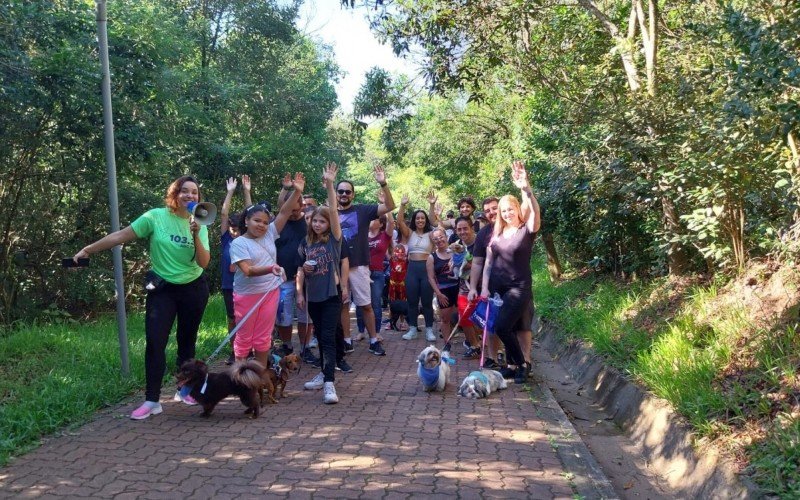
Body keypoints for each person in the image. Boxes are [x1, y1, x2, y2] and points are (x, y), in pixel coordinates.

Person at [73, 175, 211, 420]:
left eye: (195, 193)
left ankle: (185, 390)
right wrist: (88, 249)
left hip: (193, 288)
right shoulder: (155, 217)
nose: (191, 196)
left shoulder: (200, 221)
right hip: (163, 290)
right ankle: (152, 400)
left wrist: (196, 233)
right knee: (155, 343)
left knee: (187, 342)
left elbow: (203, 262)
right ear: (175, 194)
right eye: (185, 191)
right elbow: (121, 236)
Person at [229, 173, 305, 370]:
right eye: (256, 221)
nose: (262, 225)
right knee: (245, 337)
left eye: (264, 222)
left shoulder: (271, 232)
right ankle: (241, 375)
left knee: (263, 337)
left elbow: (285, 212)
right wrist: (271, 268)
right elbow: (247, 270)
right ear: (246, 221)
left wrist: (297, 191)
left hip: (270, 292)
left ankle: (260, 376)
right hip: (246, 295)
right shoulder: (238, 243)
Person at [476, 161, 541, 384]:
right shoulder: (497, 234)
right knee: (507, 326)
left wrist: (526, 188)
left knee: (503, 326)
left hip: (518, 289)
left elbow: (533, 210)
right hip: (497, 289)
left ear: (517, 209)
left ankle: (523, 364)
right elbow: (487, 264)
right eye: (503, 211)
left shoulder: (526, 230)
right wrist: (484, 288)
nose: (506, 213)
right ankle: (513, 366)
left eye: (510, 209)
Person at [297, 162, 347, 404]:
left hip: (330, 297)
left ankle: (329, 384)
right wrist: (304, 271)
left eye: (322, 222)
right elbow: (302, 269)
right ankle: (324, 373)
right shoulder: (306, 244)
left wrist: (329, 184)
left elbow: (334, 211)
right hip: (313, 297)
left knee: (327, 338)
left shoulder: (333, 241)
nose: (317, 224)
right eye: (315, 221)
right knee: (320, 335)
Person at [336, 166, 396, 356]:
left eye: (348, 191)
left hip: (359, 265)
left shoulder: (362, 210)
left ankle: (373, 340)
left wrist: (383, 183)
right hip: (337, 267)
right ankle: (346, 341)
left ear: (353, 195)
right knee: (343, 305)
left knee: (366, 305)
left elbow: (390, 206)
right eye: (341, 191)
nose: (344, 194)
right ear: (336, 194)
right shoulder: (329, 213)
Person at [275, 173, 318, 366]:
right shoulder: (278, 223)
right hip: (282, 280)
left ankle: (305, 347)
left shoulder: (309, 223)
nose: (292, 212)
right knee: (283, 317)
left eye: (295, 208)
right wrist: (285, 188)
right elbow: (280, 207)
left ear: (301, 205)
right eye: (288, 208)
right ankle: (286, 345)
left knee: (305, 316)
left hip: (305, 279)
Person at [397, 191, 439, 341]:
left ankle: (429, 330)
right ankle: (413, 328)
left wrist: (432, 205)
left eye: (422, 218)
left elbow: (436, 222)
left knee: (427, 301)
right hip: (412, 270)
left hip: (426, 270)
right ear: (414, 220)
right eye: (417, 218)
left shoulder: (431, 235)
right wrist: (402, 205)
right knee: (412, 301)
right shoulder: (409, 233)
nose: (420, 220)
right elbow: (399, 221)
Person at [220, 175, 252, 365]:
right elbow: (224, 214)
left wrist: (247, 191)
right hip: (228, 285)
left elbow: (250, 212)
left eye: (236, 226)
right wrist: (230, 191)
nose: (233, 230)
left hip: (246, 285)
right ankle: (235, 352)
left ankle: (248, 352)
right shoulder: (226, 240)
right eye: (231, 227)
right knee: (232, 319)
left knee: (247, 320)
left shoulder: (248, 239)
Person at [452, 216, 481, 358]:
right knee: (464, 317)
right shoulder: (456, 245)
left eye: (465, 228)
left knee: (484, 318)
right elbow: (454, 263)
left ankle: (497, 350)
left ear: (472, 228)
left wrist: (471, 264)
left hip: (482, 285)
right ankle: (474, 346)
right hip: (464, 286)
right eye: (459, 229)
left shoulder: (481, 242)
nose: (462, 232)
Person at [426, 228, 459, 342]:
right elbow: (430, 277)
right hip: (444, 291)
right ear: (433, 241)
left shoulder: (456, 251)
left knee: (463, 317)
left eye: (441, 236)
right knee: (445, 319)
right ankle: (447, 343)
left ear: (446, 236)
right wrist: (438, 293)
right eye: (435, 239)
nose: (439, 240)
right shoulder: (432, 257)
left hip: (459, 287)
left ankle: (472, 343)